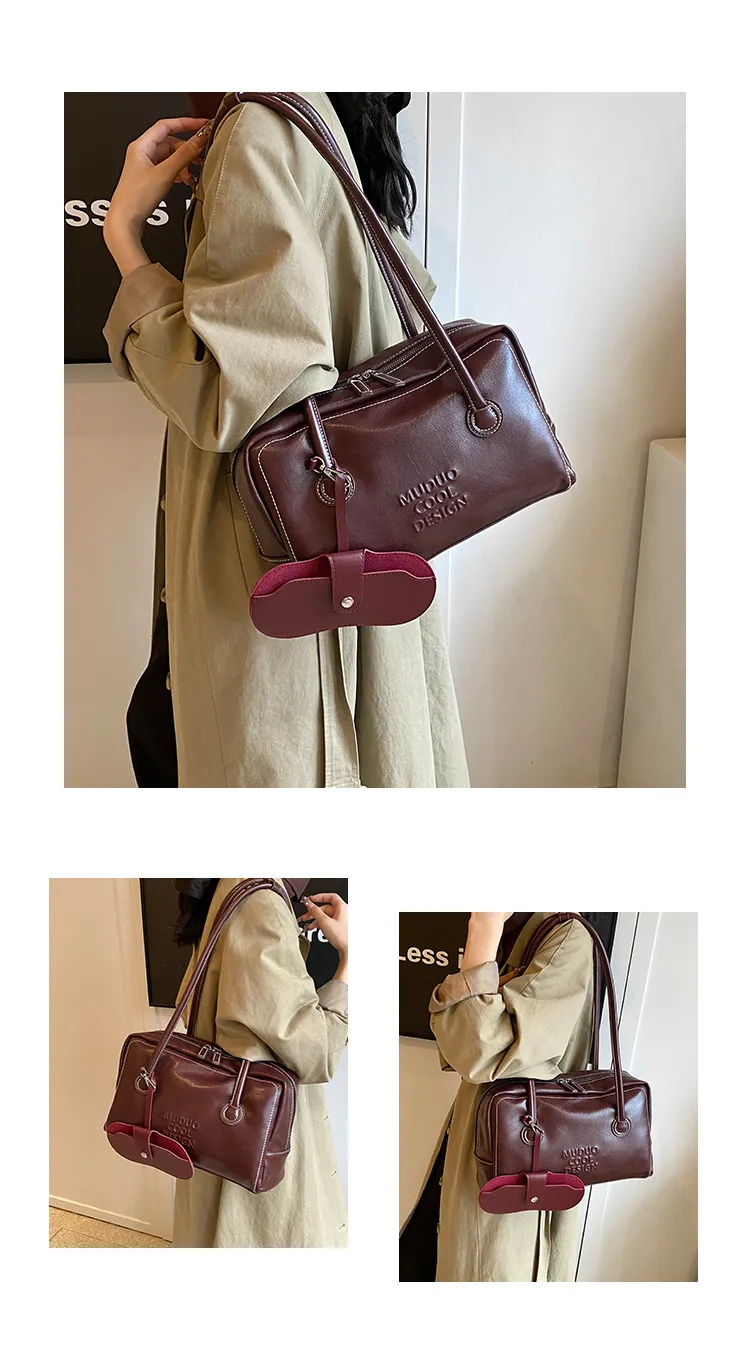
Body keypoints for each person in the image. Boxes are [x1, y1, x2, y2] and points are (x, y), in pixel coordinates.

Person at [101, 91, 469, 788]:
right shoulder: (305, 112)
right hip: (346, 545)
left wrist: (124, 238)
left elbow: (245, 395)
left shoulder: (261, 125)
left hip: (277, 572)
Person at [400, 911, 595, 1282]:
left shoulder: (566, 937)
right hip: (485, 1156)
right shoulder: (522, 932)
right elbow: (461, 1044)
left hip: (518, 1176)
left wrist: (484, 929)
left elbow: (476, 1051)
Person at [171, 878, 348, 1247]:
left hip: (222, 1129)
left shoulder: (236, 885)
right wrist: (352, 961)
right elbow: (315, 1051)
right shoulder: (260, 902)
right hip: (259, 1136)